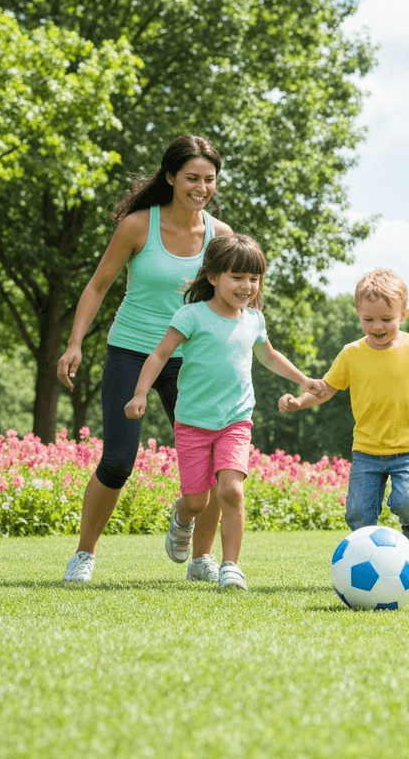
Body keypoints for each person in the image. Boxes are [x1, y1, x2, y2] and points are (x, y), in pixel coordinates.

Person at [58, 135, 232, 583]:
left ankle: (201, 557)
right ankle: (84, 555)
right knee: (117, 459)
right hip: (132, 351)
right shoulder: (138, 225)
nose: (201, 187)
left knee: (212, 462)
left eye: (209, 179)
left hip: (189, 360)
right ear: (171, 177)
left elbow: (232, 301)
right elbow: (97, 286)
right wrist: (75, 342)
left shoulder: (220, 237)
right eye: (191, 178)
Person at [124, 233, 327, 590]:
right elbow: (158, 355)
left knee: (231, 491)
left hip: (235, 420)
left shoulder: (254, 320)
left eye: (254, 278)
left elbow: (270, 356)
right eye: (237, 277)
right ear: (214, 277)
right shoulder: (192, 315)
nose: (247, 286)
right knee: (196, 500)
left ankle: (231, 566)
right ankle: (181, 516)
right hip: (193, 422)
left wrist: (303, 380)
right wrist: (140, 393)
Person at [278, 269, 409, 562]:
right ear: (358, 314)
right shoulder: (351, 353)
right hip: (367, 449)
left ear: (403, 314)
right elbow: (327, 388)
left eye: (386, 319)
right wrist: (297, 403)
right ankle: (368, 560)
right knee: (358, 514)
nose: (377, 327)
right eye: (368, 320)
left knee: (408, 502)